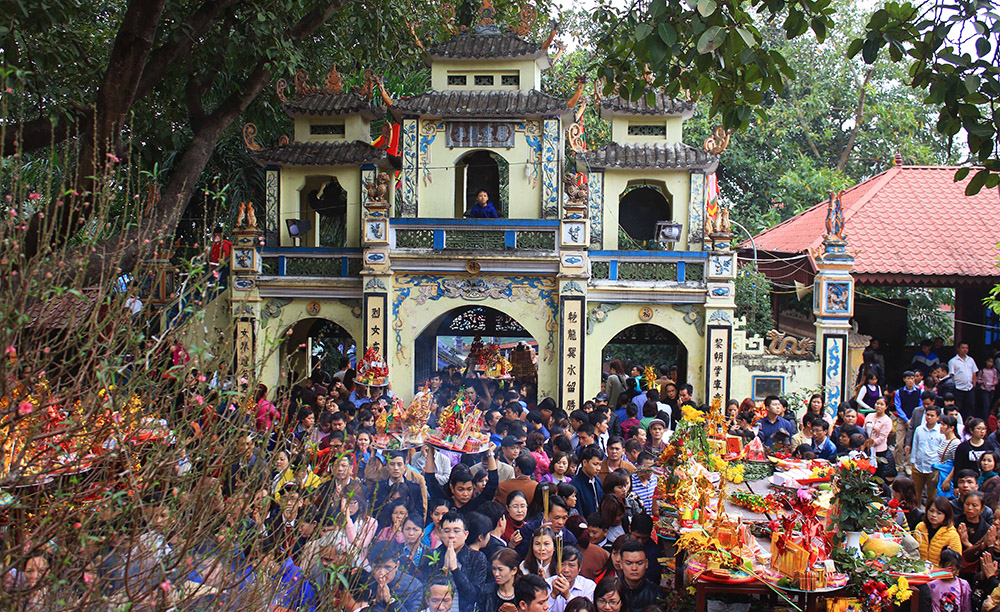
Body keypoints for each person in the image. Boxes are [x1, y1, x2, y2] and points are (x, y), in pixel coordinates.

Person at [417, 511, 489, 612]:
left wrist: (455, 570)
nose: (451, 536)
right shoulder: (430, 556)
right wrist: (443, 570)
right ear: (441, 534)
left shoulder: (477, 558)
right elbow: (425, 592)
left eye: (456, 531)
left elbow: (474, 596)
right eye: (447, 531)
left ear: (466, 534)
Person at [368, 542, 425, 612]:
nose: (382, 573)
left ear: (397, 565)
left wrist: (392, 602)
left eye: (387, 567)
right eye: (377, 567)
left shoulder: (413, 586)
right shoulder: (365, 582)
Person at [917, 547, 971, 612]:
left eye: (952, 570)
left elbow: (967, 607)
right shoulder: (932, 584)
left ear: (958, 569)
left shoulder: (963, 585)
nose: (949, 572)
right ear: (940, 566)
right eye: (946, 569)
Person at [915, 497, 963, 566]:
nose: (934, 515)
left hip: (940, 574)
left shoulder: (952, 535)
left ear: (946, 515)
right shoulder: (920, 527)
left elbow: (956, 563)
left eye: (939, 513)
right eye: (931, 511)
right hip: (919, 571)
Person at [547, 546, 597, 612]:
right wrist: (553, 595)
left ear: (579, 568)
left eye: (571, 565)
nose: (566, 570)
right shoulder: (547, 584)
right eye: (562, 564)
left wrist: (568, 595)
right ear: (555, 566)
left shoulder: (588, 586)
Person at [618, 538, 660, 608]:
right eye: (629, 563)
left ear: (646, 564)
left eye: (639, 563)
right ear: (621, 564)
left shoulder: (656, 594)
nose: (634, 568)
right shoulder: (612, 590)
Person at [865, 397, 897, 480]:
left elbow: (882, 437)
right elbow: (864, 430)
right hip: (867, 448)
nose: (878, 406)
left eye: (881, 404)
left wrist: (871, 444)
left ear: (886, 407)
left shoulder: (887, 420)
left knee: (877, 475)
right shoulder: (869, 416)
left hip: (879, 451)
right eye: (877, 403)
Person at [482, 548, 520, 612]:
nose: (496, 574)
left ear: (514, 570)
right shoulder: (486, 592)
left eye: (500, 569)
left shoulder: (523, 593)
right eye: (494, 569)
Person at [572, 446, 605, 517]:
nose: (598, 468)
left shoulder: (598, 481)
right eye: (595, 464)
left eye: (600, 465)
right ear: (585, 462)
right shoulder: (575, 485)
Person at [949, 342, 979, 417]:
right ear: (958, 349)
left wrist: (974, 385)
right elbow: (952, 375)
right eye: (963, 348)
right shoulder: (953, 361)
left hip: (970, 387)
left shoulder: (970, 360)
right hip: (958, 388)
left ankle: (970, 422)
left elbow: (974, 372)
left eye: (966, 348)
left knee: (971, 407)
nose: (965, 350)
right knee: (958, 407)